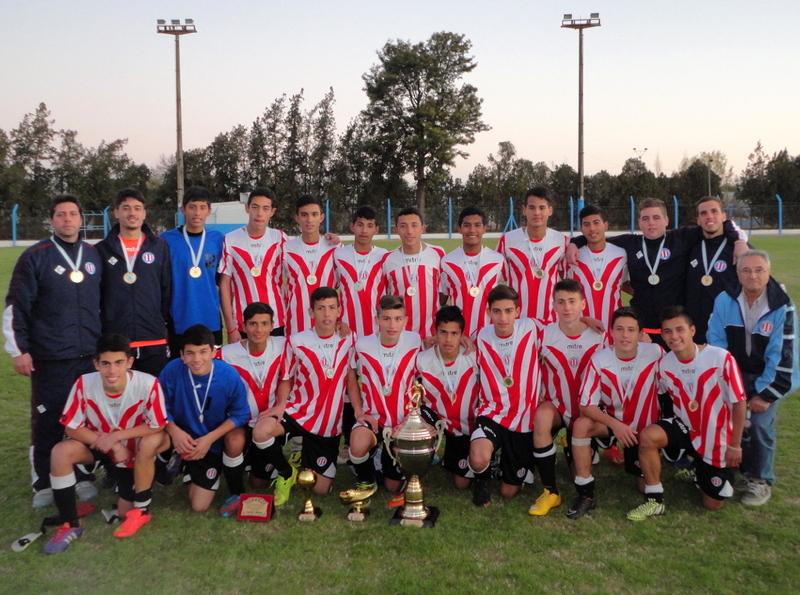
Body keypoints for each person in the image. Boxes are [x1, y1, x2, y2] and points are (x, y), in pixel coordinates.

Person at [4, 194, 103, 507]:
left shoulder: (92, 255)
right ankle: (44, 481)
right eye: (61, 215)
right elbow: (16, 306)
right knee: (48, 421)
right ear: (52, 220)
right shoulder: (35, 256)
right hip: (50, 356)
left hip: (88, 355)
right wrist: (19, 350)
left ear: (81, 219)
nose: (68, 220)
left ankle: (83, 475)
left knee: (86, 420)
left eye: (73, 214)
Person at [43, 335, 169, 554]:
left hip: (135, 447)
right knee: (60, 452)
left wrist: (118, 437)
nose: (112, 371)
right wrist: (112, 445)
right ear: (96, 364)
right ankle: (70, 523)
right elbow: (71, 427)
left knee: (124, 510)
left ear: (129, 362)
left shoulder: (148, 383)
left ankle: (141, 511)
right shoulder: (84, 383)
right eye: (106, 364)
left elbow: (157, 425)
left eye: (119, 363)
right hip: (102, 446)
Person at [568, 197, 746, 348]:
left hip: (674, 331)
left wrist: (738, 241)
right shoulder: (629, 243)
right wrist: (575, 242)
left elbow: (715, 224)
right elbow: (597, 235)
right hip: (642, 330)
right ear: (639, 222)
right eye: (645, 218)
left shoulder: (681, 238)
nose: (651, 223)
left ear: (666, 220)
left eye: (656, 217)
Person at [627, 306, 746, 520]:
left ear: (692, 330)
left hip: (715, 435)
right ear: (662, 335)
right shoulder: (664, 364)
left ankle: (700, 469)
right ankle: (655, 501)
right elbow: (660, 396)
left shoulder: (720, 358)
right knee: (648, 436)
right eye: (668, 331)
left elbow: (739, 403)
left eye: (679, 329)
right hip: (685, 428)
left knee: (712, 504)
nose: (674, 336)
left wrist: (734, 444)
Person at [707, 249, 800, 505]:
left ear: (768, 273)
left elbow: (782, 355)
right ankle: (735, 468)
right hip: (734, 374)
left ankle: (760, 480)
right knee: (732, 421)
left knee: (759, 424)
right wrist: (731, 383)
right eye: (746, 270)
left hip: (767, 376)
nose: (753, 276)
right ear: (737, 274)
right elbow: (717, 343)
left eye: (759, 270)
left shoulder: (782, 306)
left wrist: (765, 394)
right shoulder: (724, 300)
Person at [250, 287, 357, 505]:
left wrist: (359, 411)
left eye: (331, 308)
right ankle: (286, 472)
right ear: (311, 312)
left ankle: (306, 462)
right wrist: (281, 405)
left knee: (320, 490)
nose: (326, 314)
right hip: (299, 410)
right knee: (261, 431)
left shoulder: (349, 338)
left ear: (339, 311)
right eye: (320, 308)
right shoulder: (296, 340)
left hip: (327, 424)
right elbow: (287, 377)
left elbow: (352, 380)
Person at [566, 307, 664, 519]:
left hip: (644, 429)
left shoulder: (655, 353)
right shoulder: (600, 359)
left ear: (640, 333)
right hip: (613, 424)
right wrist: (616, 425)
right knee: (581, 425)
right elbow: (585, 405)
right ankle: (586, 494)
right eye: (619, 329)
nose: (625, 335)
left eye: (631, 330)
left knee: (642, 486)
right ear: (611, 332)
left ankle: (654, 485)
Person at [528, 279, 605, 516]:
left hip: (588, 411)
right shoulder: (543, 335)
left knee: (576, 472)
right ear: (553, 305)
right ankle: (551, 491)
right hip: (558, 407)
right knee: (541, 418)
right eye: (561, 302)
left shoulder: (600, 335)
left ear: (583, 303)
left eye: (572, 301)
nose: (567, 307)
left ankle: (577, 445)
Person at [158, 324, 250, 513]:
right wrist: (174, 431)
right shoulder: (171, 371)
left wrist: (209, 440)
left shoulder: (228, 375)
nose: (197, 359)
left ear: (214, 351)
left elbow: (241, 413)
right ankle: (172, 461)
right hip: (183, 437)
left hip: (211, 441)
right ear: (182, 355)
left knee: (199, 506)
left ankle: (196, 468)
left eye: (203, 352)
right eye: (190, 353)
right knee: (152, 438)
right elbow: (158, 408)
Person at [468, 285, 545, 507]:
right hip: (491, 413)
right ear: (488, 312)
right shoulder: (480, 336)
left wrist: (588, 320)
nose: (503, 317)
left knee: (509, 492)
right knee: (478, 456)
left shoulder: (532, 328)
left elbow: (564, 329)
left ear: (518, 311)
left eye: (509, 311)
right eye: (497, 311)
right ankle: (481, 483)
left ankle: (504, 466)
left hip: (523, 420)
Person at [342, 295, 423, 500]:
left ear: (405, 320)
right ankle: (366, 478)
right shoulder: (362, 345)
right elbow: (352, 378)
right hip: (373, 418)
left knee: (392, 488)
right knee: (357, 444)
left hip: (403, 424)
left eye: (397, 318)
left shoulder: (415, 341)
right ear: (377, 319)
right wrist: (358, 412)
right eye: (386, 318)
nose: (392, 324)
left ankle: (381, 459)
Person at [217, 301, 287, 515]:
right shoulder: (227, 353)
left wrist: (342, 325)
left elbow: (316, 337)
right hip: (242, 420)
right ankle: (236, 494)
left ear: (272, 325)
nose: (259, 330)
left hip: (270, 421)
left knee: (259, 484)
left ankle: (286, 472)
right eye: (253, 324)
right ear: (244, 326)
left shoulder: (284, 344)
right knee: (233, 441)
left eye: (264, 324)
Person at [96, 189, 171, 376]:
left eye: (137, 208)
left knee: (152, 396)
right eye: (126, 208)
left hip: (152, 338)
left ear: (144, 213)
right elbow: (97, 296)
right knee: (117, 398)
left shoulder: (159, 246)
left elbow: (166, 290)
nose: (132, 213)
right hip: (116, 341)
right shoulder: (101, 250)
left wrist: (158, 321)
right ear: (116, 212)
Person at [416, 306, 480, 490]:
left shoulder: (473, 357)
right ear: (435, 333)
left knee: (461, 484)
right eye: (443, 333)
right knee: (415, 418)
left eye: (454, 333)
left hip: (466, 427)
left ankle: (466, 456)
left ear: (462, 335)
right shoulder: (421, 360)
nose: (448, 339)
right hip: (437, 422)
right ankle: (416, 466)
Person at [160, 186, 225, 356]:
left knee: (211, 370)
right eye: (192, 207)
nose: (197, 213)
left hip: (210, 319)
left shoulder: (218, 240)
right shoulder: (166, 240)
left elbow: (223, 281)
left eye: (202, 207)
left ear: (209, 211)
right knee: (180, 369)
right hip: (179, 320)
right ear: (183, 210)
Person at [219, 187, 288, 341]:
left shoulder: (280, 238)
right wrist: (231, 328)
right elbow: (224, 284)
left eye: (265, 208)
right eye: (255, 207)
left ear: (272, 211)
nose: (260, 213)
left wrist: (328, 239)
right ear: (247, 208)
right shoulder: (230, 240)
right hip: (243, 321)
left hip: (275, 321)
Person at [497, 187, 567, 321]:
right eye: (532, 207)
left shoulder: (562, 241)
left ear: (550, 211)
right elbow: (495, 278)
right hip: (516, 320)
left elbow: (566, 277)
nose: (537, 212)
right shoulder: (508, 240)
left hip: (552, 320)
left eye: (542, 208)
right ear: (524, 210)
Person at [440, 206, 505, 339]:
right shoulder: (447, 261)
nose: (472, 230)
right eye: (467, 225)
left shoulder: (498, 260)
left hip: (490, 333)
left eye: (477, 225)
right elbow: (442, 300)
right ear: (459, 229)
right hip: (459, 335)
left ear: (484, 228)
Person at [382, 207, 446, 338]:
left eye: (414, 225)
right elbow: (385, 296)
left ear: (422, 228)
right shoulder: (388, 259)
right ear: (396, 230)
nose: (409, 231)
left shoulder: (438, 253)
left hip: (431, 334)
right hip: (400, 335)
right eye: (403, 226)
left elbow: (444, 291)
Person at [282, 195, 341, 335]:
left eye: (314, 214)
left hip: (328, 323)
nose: (309, 220)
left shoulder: (335, 247)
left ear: (321, 217)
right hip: (296, 322)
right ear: (297, 218)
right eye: (304, 215)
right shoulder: (285, 249)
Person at [685, 196, 740, 343]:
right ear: (698, 220)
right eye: (703, 213)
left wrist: (739, 241)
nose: (709, 216)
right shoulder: (690, 247)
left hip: (727, 328)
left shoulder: (738, 249)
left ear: (724, 216)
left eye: (714, 211)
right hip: (693, 329)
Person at [568, 205, 628, 331]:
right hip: (582, 328)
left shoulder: (622, 254)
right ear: (581, 229)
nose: (592, 228)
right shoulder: (572, 255)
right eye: (586, 224)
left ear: (606, 225)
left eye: (596, 223)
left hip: (614, 329)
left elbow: (627, 285)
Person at [334, 205, 389, 338]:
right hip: (346, 328)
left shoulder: (384, 256)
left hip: (377, 327)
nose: (364, 230)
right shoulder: (339, 254)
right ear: (352, 226)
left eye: (370, 226)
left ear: (376, 229)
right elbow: (331, 289)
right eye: (360, 225)